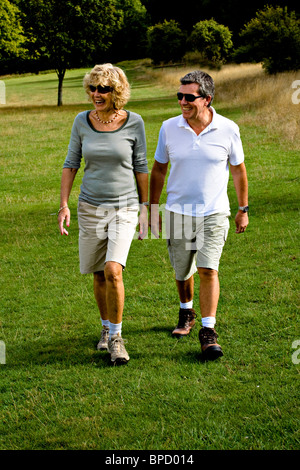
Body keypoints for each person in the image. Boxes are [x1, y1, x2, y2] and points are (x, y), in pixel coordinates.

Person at [150, 70, 248, 361]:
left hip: (214, 212)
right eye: (179, 96)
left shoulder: (228, 128)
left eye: (189, 97)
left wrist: (242, 209)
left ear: (206, 99)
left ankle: (208, 332)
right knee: (182, 271)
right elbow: (158, 169)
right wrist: (152, 208)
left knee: (208, 268)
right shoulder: (168, 128)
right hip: (178, 211)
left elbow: (238, 170)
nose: (182, 101)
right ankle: (186, 311)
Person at [58, 63, 148, 365]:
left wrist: (147, 208)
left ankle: (117, 339)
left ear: (117, 91)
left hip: (124, 207)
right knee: (98, 273)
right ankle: (106, 328)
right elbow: (71, 162)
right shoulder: (81, 122)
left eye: (104, 89)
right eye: (93, 88)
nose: (97, 94)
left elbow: (141, 167)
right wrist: (64, 204)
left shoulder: (135, 122)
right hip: (90, 207)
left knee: (113, 270)